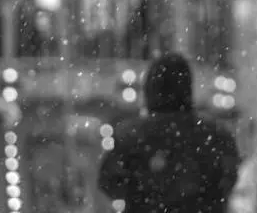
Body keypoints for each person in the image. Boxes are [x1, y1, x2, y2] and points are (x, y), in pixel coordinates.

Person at [98, 52, 240, 213]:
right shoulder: (217, 136)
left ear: (150, 89)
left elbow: (109, 183)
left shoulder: (130, 135)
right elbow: (228, 180)